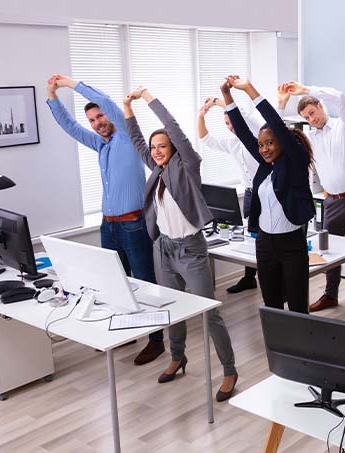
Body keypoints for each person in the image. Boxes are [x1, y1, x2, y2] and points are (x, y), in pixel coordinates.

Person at [124, 86, 238, 401]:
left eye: (163, 146)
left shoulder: (187, 165)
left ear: (173, 147)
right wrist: (127, 108)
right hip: (164, 250)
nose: (158, 151)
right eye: (154, 147)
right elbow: (135, 140)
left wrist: (147, 98)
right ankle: (177, 357)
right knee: (170, 308)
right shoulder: (156, 170)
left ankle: (229, 370)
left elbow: (172, 127)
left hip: (191, 251)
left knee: (209, 313)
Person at [46, 74, 165, 366]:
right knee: (116, 284)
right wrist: (52, 95)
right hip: (109, 226)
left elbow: (108, 103)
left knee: (144, 281)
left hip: (132, 223)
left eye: (100, 116)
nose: (98, 122)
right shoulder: (101, 145)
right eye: (93, 120)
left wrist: (71, 84)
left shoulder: (126, 134)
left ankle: (156, 340)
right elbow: (69, 127)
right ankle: (127, 332)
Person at [278, 81, 345, 321]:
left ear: (320, 106)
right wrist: (281, 104)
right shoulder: (309, 139)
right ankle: (330, 294)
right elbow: (278, 134)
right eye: (306, 116)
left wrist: (307, 90)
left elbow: (342, 98)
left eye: (312, 112)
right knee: (328, 250)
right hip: (332, 201)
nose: (310, 118)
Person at [222, 76, 315, 313]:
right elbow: (242, 132)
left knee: (297, 308)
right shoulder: (265, 167)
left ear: (283, 143)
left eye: (270, 143)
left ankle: (300, 350)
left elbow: (276, 123)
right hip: (264, 244)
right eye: (261, 144)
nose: (264, 149)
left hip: (291, 244)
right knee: (271, 306)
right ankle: (276, 351)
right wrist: (227, 97)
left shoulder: (294, 162)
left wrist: (249, 89)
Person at [198, 97, 262, 293]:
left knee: (270, 238)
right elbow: (206, 140)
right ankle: (249, 277)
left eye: (232, 122)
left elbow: (243, 114)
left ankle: (280, 281)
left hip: (268, 193)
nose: (230, 126)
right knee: (252, 236)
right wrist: (201, 116)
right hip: (251, 194)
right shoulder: (233, 143)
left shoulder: (258, 136)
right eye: (226, 124)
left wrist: (218, 102)